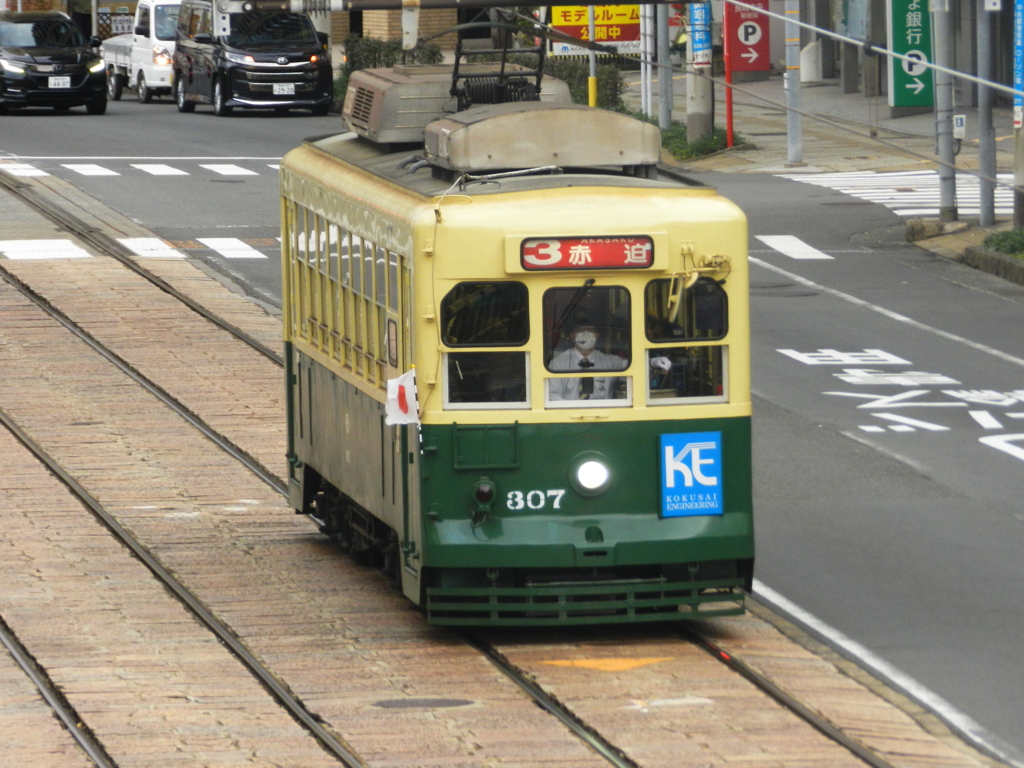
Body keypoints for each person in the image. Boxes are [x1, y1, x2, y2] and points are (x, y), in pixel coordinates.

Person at [547, 315, 627, 401]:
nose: (586, 333)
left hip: (603, 412)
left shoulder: (609, 362)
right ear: (572, 336)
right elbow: (552, 394)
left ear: (597, 335)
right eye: (580, 330)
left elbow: (635, 369)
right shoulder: (558, 363)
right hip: (569, 412)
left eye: (590, 330)